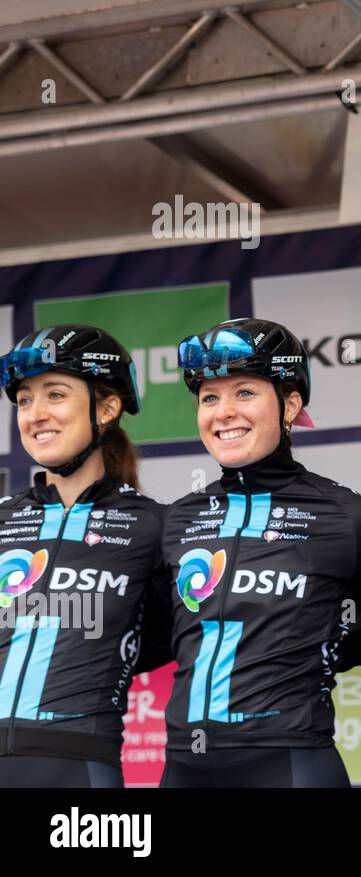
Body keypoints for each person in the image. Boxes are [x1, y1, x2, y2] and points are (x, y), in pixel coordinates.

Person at [159, 318, 361, 788]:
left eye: (244, 392)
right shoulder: (178, 519)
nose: (223, 412)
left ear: (290, 404)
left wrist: (332, 653)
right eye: (210, 397)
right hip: (183, 766)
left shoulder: (349, 517)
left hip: (290, 763)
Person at [0, 325, 168, 787]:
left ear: (108, 408)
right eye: (25, 400)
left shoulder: (154, 526)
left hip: (78, 767)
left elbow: (182, 632)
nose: (35, 414)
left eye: (55, 394)